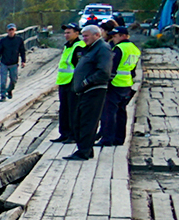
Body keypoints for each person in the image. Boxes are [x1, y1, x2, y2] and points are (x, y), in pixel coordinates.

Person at [67, 24, 115, 160]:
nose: (84, 38)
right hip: (84, 91)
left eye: (87, 35)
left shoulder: (102, 48)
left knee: (87, 121)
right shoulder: (91, 48)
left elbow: (104, 71)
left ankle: (84, 152)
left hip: (94, 90)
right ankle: (86, 149)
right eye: (83, 35)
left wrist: (86, 82)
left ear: (97, 35)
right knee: (79, 121)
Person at [98, 24, 142, 146]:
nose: (113, 39)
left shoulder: (119, 49)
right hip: (126, 83)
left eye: (115, 36)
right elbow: (133, 70)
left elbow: (112, 67)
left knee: (109, 112)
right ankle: (119, 139)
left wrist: (106, 82)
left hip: (115, 84)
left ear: (124, 36)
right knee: (122, 112)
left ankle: (107, 139)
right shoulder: (135, 49)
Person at [52, 23, 83, 144]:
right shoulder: (67, 46)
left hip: (73, 82)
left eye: (69, 32)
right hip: (64, 81)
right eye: (65, 33)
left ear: (77, 33)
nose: (66, 35)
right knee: (64, 109)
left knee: (73, 110)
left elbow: (79, 66)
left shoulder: (79, 46)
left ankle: (73, 135)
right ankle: (64, 133)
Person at [0, 24, 27, 101]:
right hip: (4, 63)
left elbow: (22, 51)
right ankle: (3, 95)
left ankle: (9, 90)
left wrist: (23, 61)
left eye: (12, 30)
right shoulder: (3, 41)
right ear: (7, 31)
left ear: (15, 30)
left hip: (14, 63)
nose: (11, 31)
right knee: (3, 81)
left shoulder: (19, 40)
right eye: (9, 30)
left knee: (14, 80)